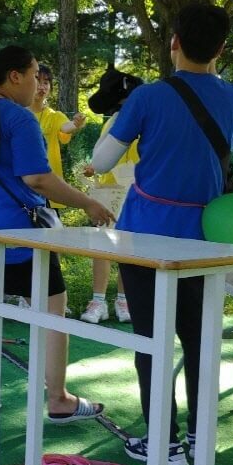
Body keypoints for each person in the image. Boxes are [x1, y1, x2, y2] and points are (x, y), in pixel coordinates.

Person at [92, 1, 233, 465]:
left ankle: (164, 442)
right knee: (200, 339)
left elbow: (101, 161)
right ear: (221, 48)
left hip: (146, 235)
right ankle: (201, 439)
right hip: (208, 235)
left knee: (151, 338)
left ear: (174, 41)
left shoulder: (147, 97)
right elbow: (232, 148)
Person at [0, 45, 113, 420]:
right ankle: (58, 399)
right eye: (35, 74)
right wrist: (87, 202)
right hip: (19, 234)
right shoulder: (20, 119)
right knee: (52, 309)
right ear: (15, 76)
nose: (38, 83)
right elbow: (37, 178)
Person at [79, 68, 143, 324]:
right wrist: (92, 169)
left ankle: (124, 300)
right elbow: (102, 157)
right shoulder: (112, 122)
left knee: (129, 246)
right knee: (102, 244)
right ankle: (98, 300)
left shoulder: (146, 120)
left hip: (136, 190)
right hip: (109, 190)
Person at [30, 64, 86, 210]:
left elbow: (66, 127)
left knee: (49, 222)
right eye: (37, 81)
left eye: (46, 82)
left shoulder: (55, 116)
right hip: (24, 183)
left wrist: (76, 124)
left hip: (48, 185)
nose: (42, 87)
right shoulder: (17, 113)